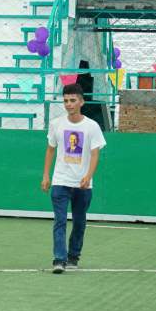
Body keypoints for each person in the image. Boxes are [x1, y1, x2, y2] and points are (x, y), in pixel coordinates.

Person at [41, 84, 106, 274]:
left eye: (72, 100)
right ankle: (59, 259)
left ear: (81, 101)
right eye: (66, 101)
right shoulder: (56, 124)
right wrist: (46, 175)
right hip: (61, 181)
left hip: (83, 184)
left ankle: (73, 257)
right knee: (60, 220)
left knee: (79, 221)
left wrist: (88, 176)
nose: (69, 104)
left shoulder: (92, 126)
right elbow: (50, 149)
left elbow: (95, 154)